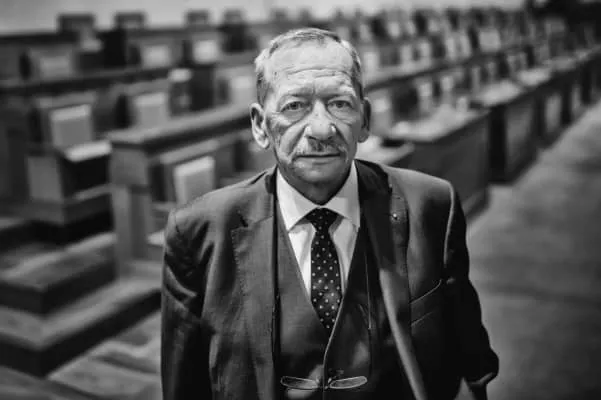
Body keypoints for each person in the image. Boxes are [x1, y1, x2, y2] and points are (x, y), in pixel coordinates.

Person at [160, 27, 499, 400]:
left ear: (364, 119)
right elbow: (184, 386)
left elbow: (471, 361)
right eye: (294, 106)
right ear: (260, 125)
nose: (321, 129)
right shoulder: (198, 233)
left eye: (340, 104)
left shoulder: (432, 204)